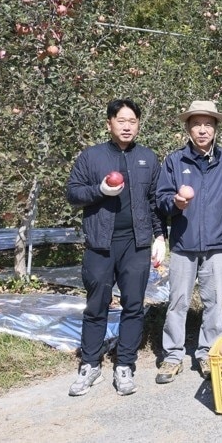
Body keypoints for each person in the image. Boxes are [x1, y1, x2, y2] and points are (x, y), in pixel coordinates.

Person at [65, 98, 166, 397]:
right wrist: (100, 190)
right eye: (121, 120)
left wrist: (159, 236)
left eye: (132, 121)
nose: (126, 126)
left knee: (133, 305)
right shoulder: (92, 157)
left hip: (135, 243)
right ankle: (90, 364)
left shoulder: (148, 157)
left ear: (138, 125)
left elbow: (153, 202)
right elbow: (73, 193)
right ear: (109, 123)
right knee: (96, 304)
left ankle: (125, 364)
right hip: (100, 243)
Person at [154, 100, 222, 384]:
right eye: (196, 124)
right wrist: (175, 203)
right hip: (183, 244)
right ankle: (173, 355)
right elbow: (161, 199)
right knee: (177, 302)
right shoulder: (175, 161)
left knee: (214, 302)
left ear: (215, 128)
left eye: (208, 124)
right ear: (188, 128)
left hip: (216, 243)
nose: (202, 130)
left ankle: (208, 352)